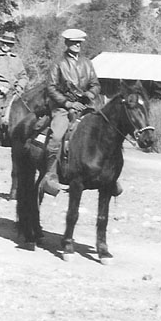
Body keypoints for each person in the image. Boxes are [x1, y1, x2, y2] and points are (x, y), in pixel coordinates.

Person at [40, 28, 102, 196]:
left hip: (85, 106)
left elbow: (96, 84)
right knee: (57, 136)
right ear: (66, 43)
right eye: (73, 42)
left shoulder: (87, 63)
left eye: (79, 43)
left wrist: (89, 94)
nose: (77, 45)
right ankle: (50, 176)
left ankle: (107, 174)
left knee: (103, 131)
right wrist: (68, 103)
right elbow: (51, 88)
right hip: (63, 108)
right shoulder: (58, 63)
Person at [0, 30, 28, 134]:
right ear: (1, 43)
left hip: (15, 92)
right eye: (4, 43)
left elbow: (23, 76)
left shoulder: (17, 59)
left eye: (9, 44)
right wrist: (0, 88)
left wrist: (20, 86)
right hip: (0, 93)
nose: (6, 45)